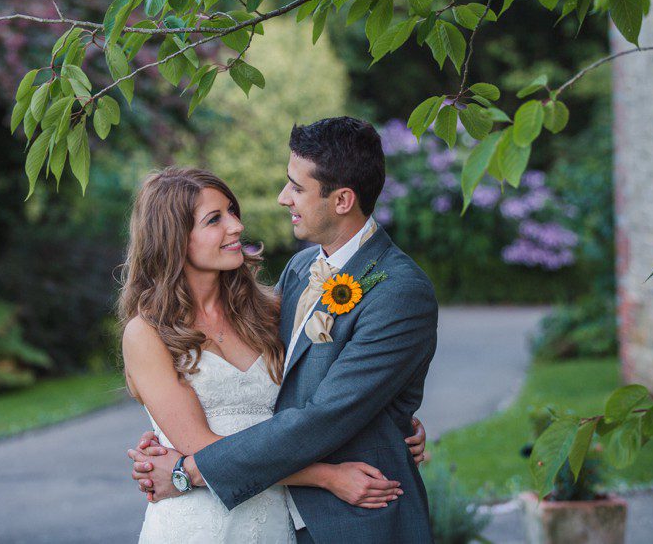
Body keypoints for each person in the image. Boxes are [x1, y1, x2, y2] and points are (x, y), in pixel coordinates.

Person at [131, 118, 439, 543]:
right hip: (256, 515)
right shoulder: (299, 271)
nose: (282, 198)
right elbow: (288, 381)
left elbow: (327, 413)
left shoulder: (399, 291)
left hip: (355, 517)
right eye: (215, 219)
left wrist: (187, 472)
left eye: (296, 187)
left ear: (343, 200)